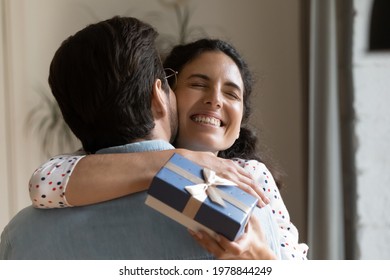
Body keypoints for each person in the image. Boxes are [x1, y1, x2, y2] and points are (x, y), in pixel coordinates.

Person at [0, 16, 280, 260]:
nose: (214, 101)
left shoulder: (20, 233)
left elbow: (44, 183)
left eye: (232, 93)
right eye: (196, 84)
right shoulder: (240, 210)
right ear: (160, 95)